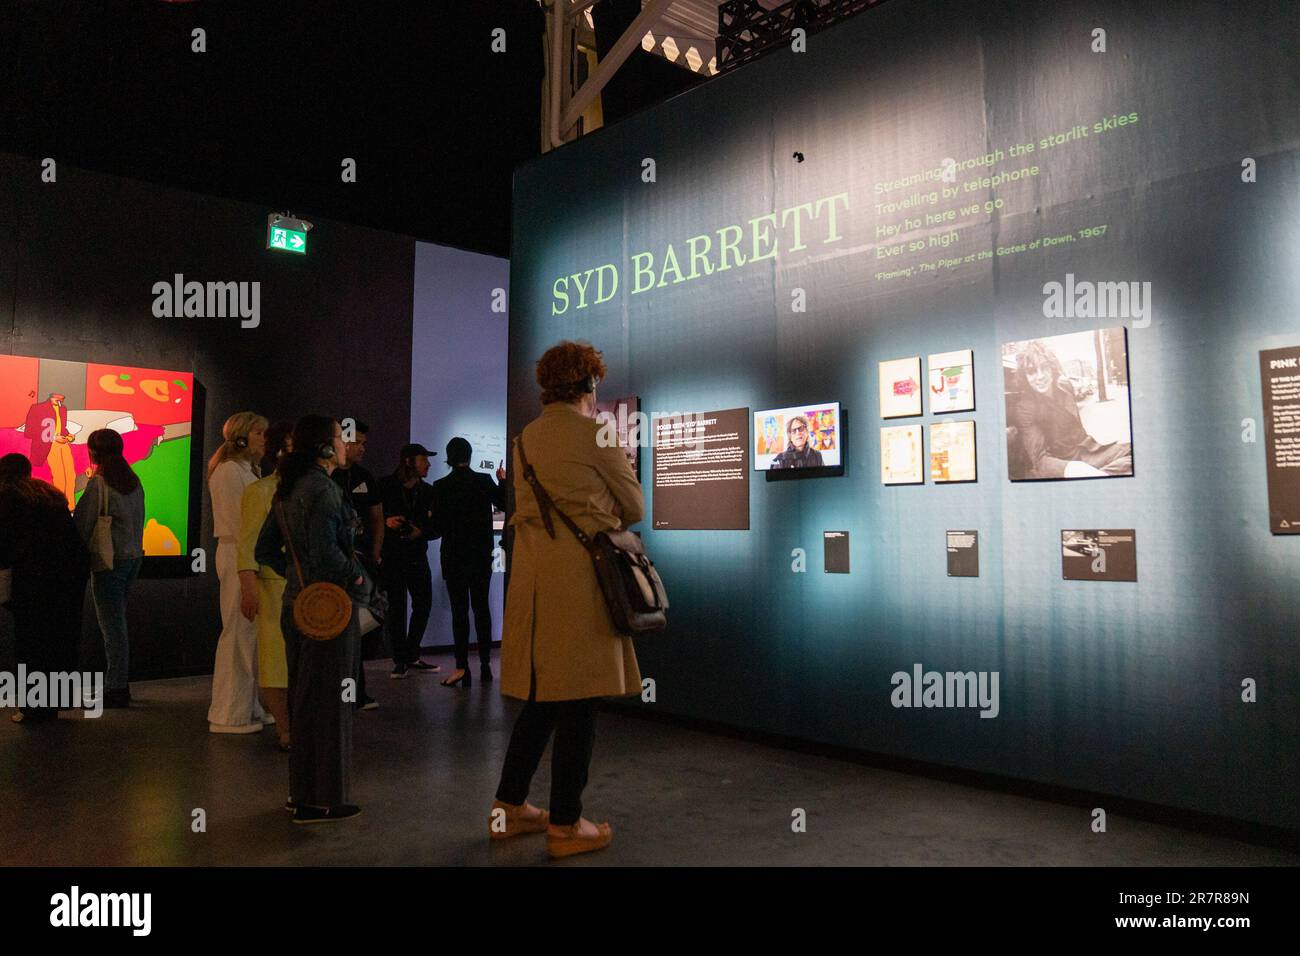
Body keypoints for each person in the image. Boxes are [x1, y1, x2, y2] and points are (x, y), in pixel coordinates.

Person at [491, 340, 644, 859]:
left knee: (542, 698)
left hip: (533, 584)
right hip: (581, 583)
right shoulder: (597, 430)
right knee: (580, 700)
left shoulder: (526, 437)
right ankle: (564, 824)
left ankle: (508, 809)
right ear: (591, 383)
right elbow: (635, 504)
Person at [255, 415, 367, 824]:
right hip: (329, 612)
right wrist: (358, 579)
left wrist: (293, 571)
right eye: (340, 438)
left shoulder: (287, 490)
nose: (345, 444)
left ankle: (302, 795)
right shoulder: (323, 490)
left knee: (305, 704)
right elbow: (327, 556)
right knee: (330, 705)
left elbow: (265, 548)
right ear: (324, 447)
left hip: (295, 606)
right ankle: (323, 800)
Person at [0, 455, 91, 723]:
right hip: (69, 578)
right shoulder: (50, 495)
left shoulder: (7, 498)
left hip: (32, 581)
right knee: (60, 639)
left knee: (31, 643)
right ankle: (53, 705)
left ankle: (32, 708)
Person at [207, 411, 271, 734]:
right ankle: (229, 713)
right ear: (244, 436)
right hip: (238, 555)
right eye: (260, 433)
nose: (265, 440)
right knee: (237, 632)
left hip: (245, 554)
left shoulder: (245, 471)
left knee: (248, 635)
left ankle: (247, 705)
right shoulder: (230, 472)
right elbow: (241, 523)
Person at [73, 429, 145, 709]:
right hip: (133, 559)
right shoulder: (134, 481)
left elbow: (81, 524)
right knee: (118, 623)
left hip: (109, 562)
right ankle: (118, 684)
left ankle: (116, 686)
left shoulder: (99, 484)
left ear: (93, 452)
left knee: (112, 626)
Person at [237, 421, 295, 749]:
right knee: (275, 663)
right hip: (272, 587)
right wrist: (248, 587)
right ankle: (285, 728)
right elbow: (248, 545)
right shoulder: (258, 492)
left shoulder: (310, 488)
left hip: (303, 587)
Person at [432, 437, 505, 688]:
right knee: (481, 609)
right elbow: (505, 503)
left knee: (459, 612)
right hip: (480, 556)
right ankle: (485, 664)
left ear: (449, 457)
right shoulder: (483, 481)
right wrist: (503, 480)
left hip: (454, 558)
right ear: (470, 456)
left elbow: (437, 527)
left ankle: (462, 667)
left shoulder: (440, 486)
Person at [1010, 340, 1133, 479]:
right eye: (1032, 371)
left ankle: (1098, 477)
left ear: (1052, 368)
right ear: (1025, 377)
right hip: (1064, 463)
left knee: (1135, 451)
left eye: (1044, 367)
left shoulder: (1066, 385)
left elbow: (1078, 428)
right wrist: (1073, 468)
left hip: (1088, 452)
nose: (1040, 376)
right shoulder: (1024, 409)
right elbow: (1039, 460)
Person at [331, 419, 383, 710]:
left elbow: (377, 516)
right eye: (358, 442)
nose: (363, 448)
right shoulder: (327, 476)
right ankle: (344, 694)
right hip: (337, 565)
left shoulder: (365, 476)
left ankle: (356, 692)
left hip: (363, 564)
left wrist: (376, 551)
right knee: (339, 627)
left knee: (361, 629)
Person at [378, 443, 442, 679]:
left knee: (423, 604)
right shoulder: (384, 486)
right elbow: (367, 519)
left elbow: (437, 528)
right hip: (392, 556)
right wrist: (386, 521)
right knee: (395, 608)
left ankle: (409, 654)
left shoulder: (428, 492)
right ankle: (401, 659)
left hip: (417, 556)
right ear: (408, 461)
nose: (428, 464)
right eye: (423, 459)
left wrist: (420, 532)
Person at [23, 391, 77, 509]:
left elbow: (62, 428)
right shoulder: (37, 408)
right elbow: (29, 432)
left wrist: (69, 436)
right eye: (59, 396)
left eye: (63, 397)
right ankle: (60, 507)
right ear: (52, 395)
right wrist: (53, 437)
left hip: (63, 445)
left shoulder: (63, 409)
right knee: (59, 477)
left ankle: (71, 507)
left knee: (70, 475)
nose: (61, 399)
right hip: (48, 445)